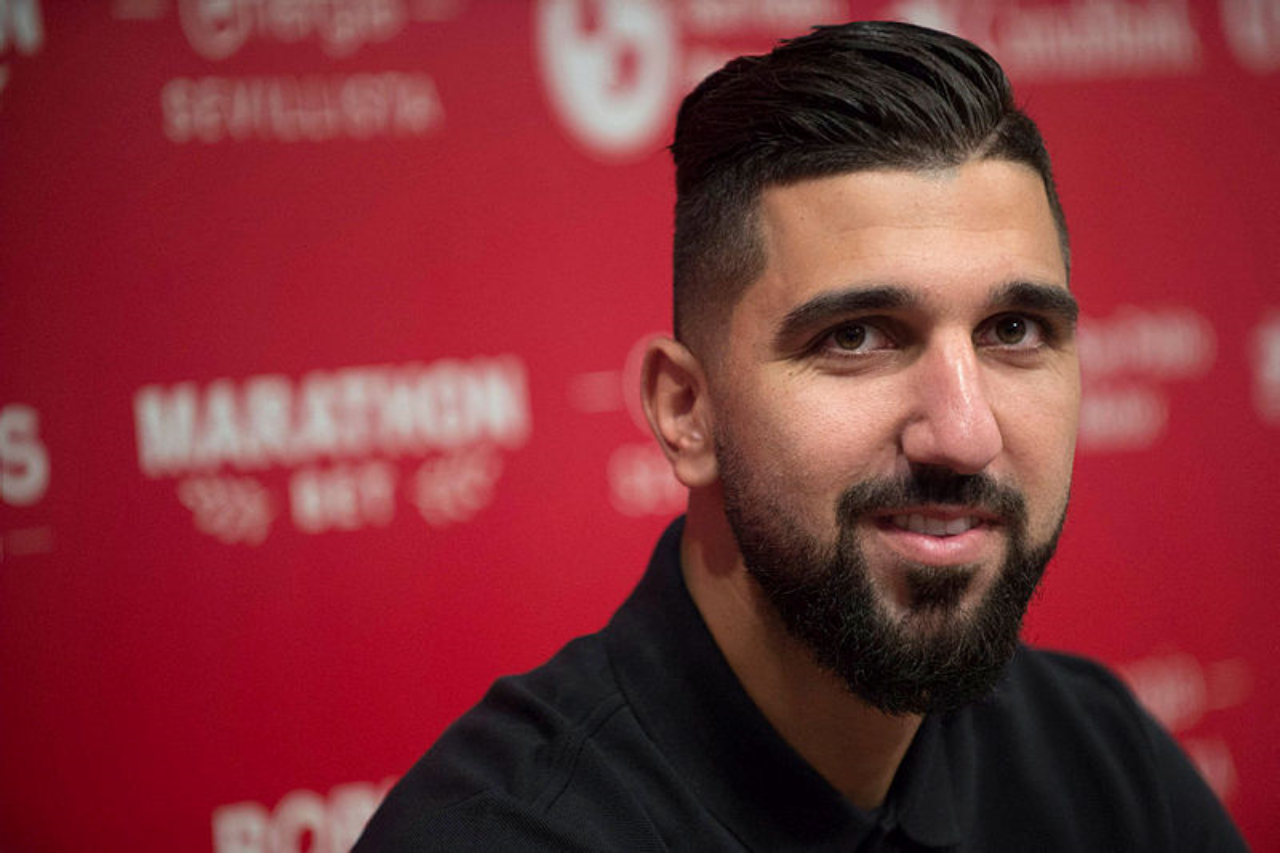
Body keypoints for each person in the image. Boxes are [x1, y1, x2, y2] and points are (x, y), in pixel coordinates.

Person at [356, 21, 1248, 851]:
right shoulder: (503, 834)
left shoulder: (1103, 763)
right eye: (855, 337)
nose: (964, 433)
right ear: (686, 411)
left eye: (1013, 330)